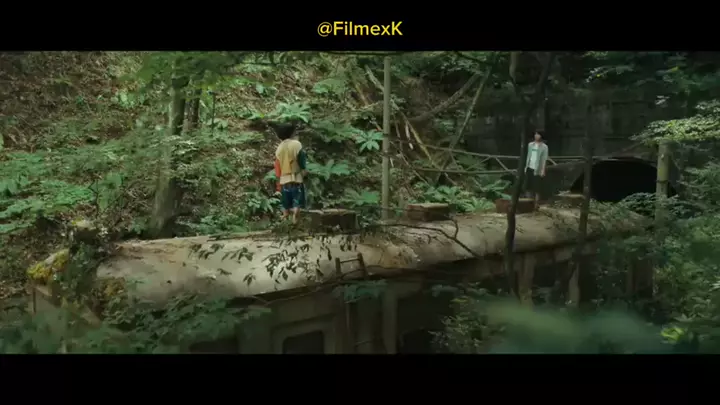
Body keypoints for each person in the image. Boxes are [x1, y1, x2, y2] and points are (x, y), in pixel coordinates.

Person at [273, 122, 308, 224]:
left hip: (284, 180)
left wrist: (278, 183)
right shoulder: (296, 144)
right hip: (296, 178)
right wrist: (304, 170)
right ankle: (295, 217)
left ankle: (285, 216)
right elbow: (301, 159)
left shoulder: (279, 149)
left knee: (286, 202)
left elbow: (277, 167)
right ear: (292, 133)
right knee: (297, 200)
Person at [524, 131, 549, 210]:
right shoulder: (530, 145)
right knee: (528, 186)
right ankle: (529, 204)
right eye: (535, 134)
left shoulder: (544, 147)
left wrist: (543, 170)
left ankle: (536, 204)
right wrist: (525, 167)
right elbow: (528, 156)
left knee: (537, 188)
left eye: (538, 134)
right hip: (529, 167)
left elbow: (544, 159)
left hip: (538, 169)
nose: (536, 135)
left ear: (541, 136)